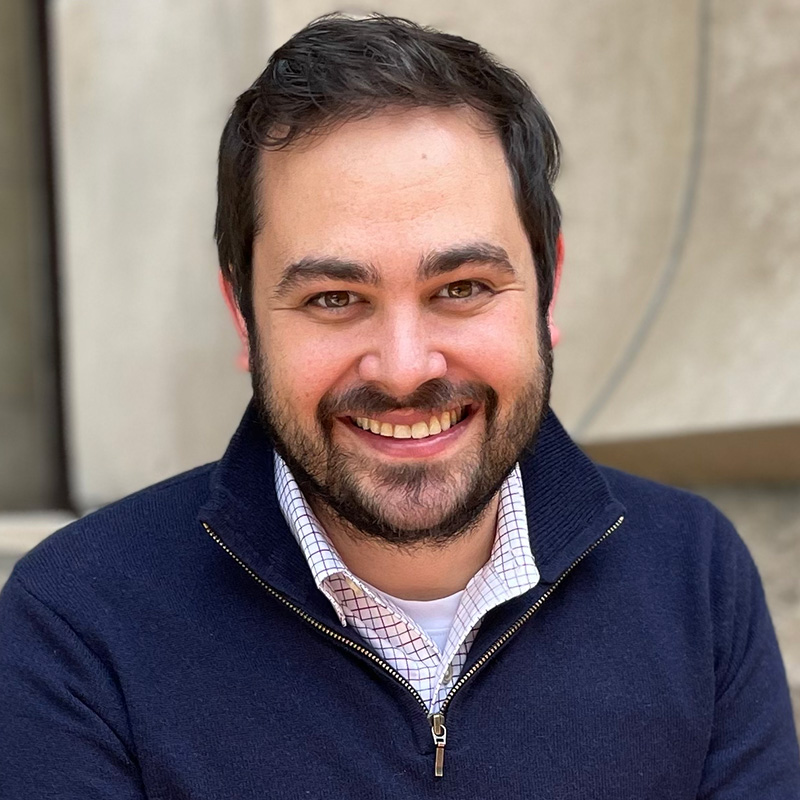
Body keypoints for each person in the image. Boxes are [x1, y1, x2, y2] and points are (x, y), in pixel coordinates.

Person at [1, 13, 798, 799]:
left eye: (462, 288)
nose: (406, 368)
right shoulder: (77, 624)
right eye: (334, 298)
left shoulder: (694, 576)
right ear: (243, 317)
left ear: (548, 289)